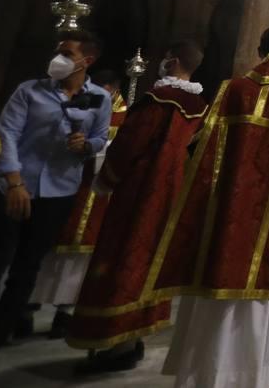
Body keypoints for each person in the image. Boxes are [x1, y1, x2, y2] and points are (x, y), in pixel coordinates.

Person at [148, 27, 269, 388]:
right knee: (260, 295)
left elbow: (197, 152)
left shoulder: (229, 91)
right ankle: (260, 375)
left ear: (258, 49)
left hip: (221, 218)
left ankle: (202, 372)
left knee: (214, 282)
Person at [0, 29, 107, 388]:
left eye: (68, 53)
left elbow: (99, 139)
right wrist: (15, 182)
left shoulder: (98, 98)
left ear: (88, 61)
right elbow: (7, 135)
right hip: (14, 187)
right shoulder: (30, 90)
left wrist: (86, 145)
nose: (59, 58)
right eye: (58, 52)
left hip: (58, 192)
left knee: (25, 272)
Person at [66, 39, 209, 373]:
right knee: (148, 262)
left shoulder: (157, 101)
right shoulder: (202, 107)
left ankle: (117, 344)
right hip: (172, 195)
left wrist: (108, 177)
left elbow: (129, 144)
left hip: (139, 192)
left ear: (172, 62)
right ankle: (135, 335)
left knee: (122, 259)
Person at [30, 70, 127, 339]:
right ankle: (27, 307)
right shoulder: (77, 105)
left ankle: (64, 312)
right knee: (47, 249)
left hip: (96, 193)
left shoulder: (124, 116)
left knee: (79, 258)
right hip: (63, 184)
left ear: (115, 90)